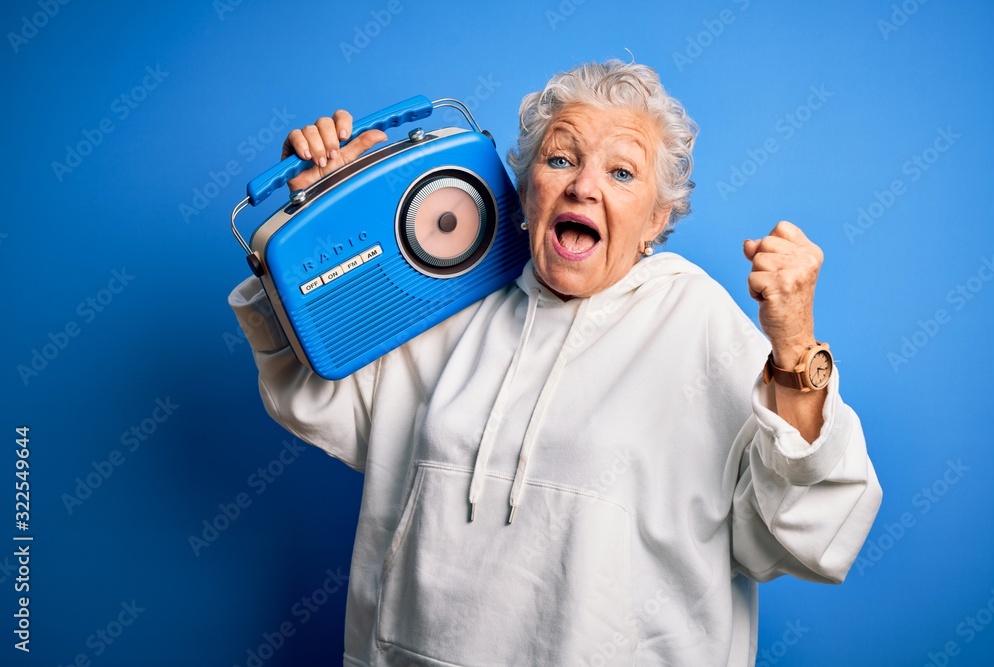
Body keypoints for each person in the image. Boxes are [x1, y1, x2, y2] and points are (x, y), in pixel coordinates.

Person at [229, 59, 881, 666]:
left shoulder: (695, 319)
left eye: (622, 173)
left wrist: (794, 345)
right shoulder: (458, 295)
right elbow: (321, 395)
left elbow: (811, 529)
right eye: (561, 158)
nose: (583, 185)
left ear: (657, 217)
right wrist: (317, 212)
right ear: (525, 187)